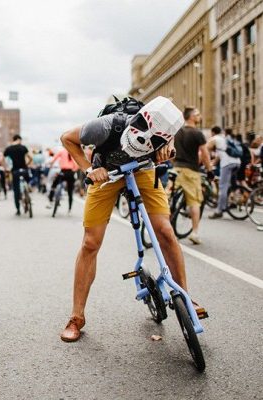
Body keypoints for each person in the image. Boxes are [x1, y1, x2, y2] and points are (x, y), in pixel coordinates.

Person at [59, 96, 201, 342]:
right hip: (106, 174)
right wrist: (89, 169)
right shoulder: (105, 126)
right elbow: (67, 138)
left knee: (165, 232)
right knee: (90, 243)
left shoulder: (165, 127)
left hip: (143, 171)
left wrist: (169, 146)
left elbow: (171, 135)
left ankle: (185, 296)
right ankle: (76, 316)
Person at [173, 107, 214, 244]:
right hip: (191, 170)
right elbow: (204, 153)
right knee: (194, 201)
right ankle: (195, 233)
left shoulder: (177, 131)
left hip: (176, 168)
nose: (199, 116)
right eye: (197, 114)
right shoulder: (197, 133)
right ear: (190, 117)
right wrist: (209, 170)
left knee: (168, 196)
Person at [207, 128, 241, 219]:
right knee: (228, 184)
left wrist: (207, 163)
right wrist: (212, 163)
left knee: (222, 187)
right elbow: (219, 156)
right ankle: (232, 199)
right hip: (237, 162)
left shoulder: (214, 139)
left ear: (213, 132)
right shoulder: (225, 138)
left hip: (227, 164)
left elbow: (205, 149)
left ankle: (219, 211)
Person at [4, 135, 32, 215]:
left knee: (16, 191)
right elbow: (30, 158)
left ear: (13, 140)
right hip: (24, 170)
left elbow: (3, 158)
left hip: (15, 171)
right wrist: (27, 164)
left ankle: (18, 209)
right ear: (19, 139)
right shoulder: (23, 147)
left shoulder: (9, 149)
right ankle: (27, 190)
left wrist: (6, 167)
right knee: (28, 180)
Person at [47, 147, 78, 214]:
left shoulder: (62, 151)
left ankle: (50, 200)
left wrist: (51, 164)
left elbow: (54, 159)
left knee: (54, 185)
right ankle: (69, 208)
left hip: (63, 172)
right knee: (70, 191)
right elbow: (76, 165)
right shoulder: (72, 152)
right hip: (70, 173)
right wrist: (73, 171)